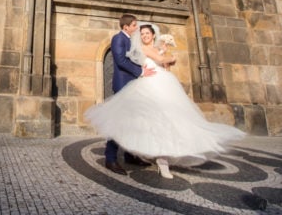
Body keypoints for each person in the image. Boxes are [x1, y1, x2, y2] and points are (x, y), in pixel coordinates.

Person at [86, 24, 245, 179]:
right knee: (133, 120)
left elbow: (166, 67)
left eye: (147, 33)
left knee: (166, 122)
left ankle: (153, 158)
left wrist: (166, 57)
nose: (144, 35)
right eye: (142, 33)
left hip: (163, 85)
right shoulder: (142, 47)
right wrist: (170, 57)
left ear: (153, 35)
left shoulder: (156, 48)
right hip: (147, 86)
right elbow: (159, 59)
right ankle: (116, 157)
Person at [103, 14, 156, 175]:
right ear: (126, 27)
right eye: (134, 25)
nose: (137, 28)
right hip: (123, 85)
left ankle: (130, 155)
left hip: (132, 86)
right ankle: (110, 159)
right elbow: (120, 61)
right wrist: (141, 71)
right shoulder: (118, 39)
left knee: (133, 123)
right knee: (119, 123)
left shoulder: (131, 40)